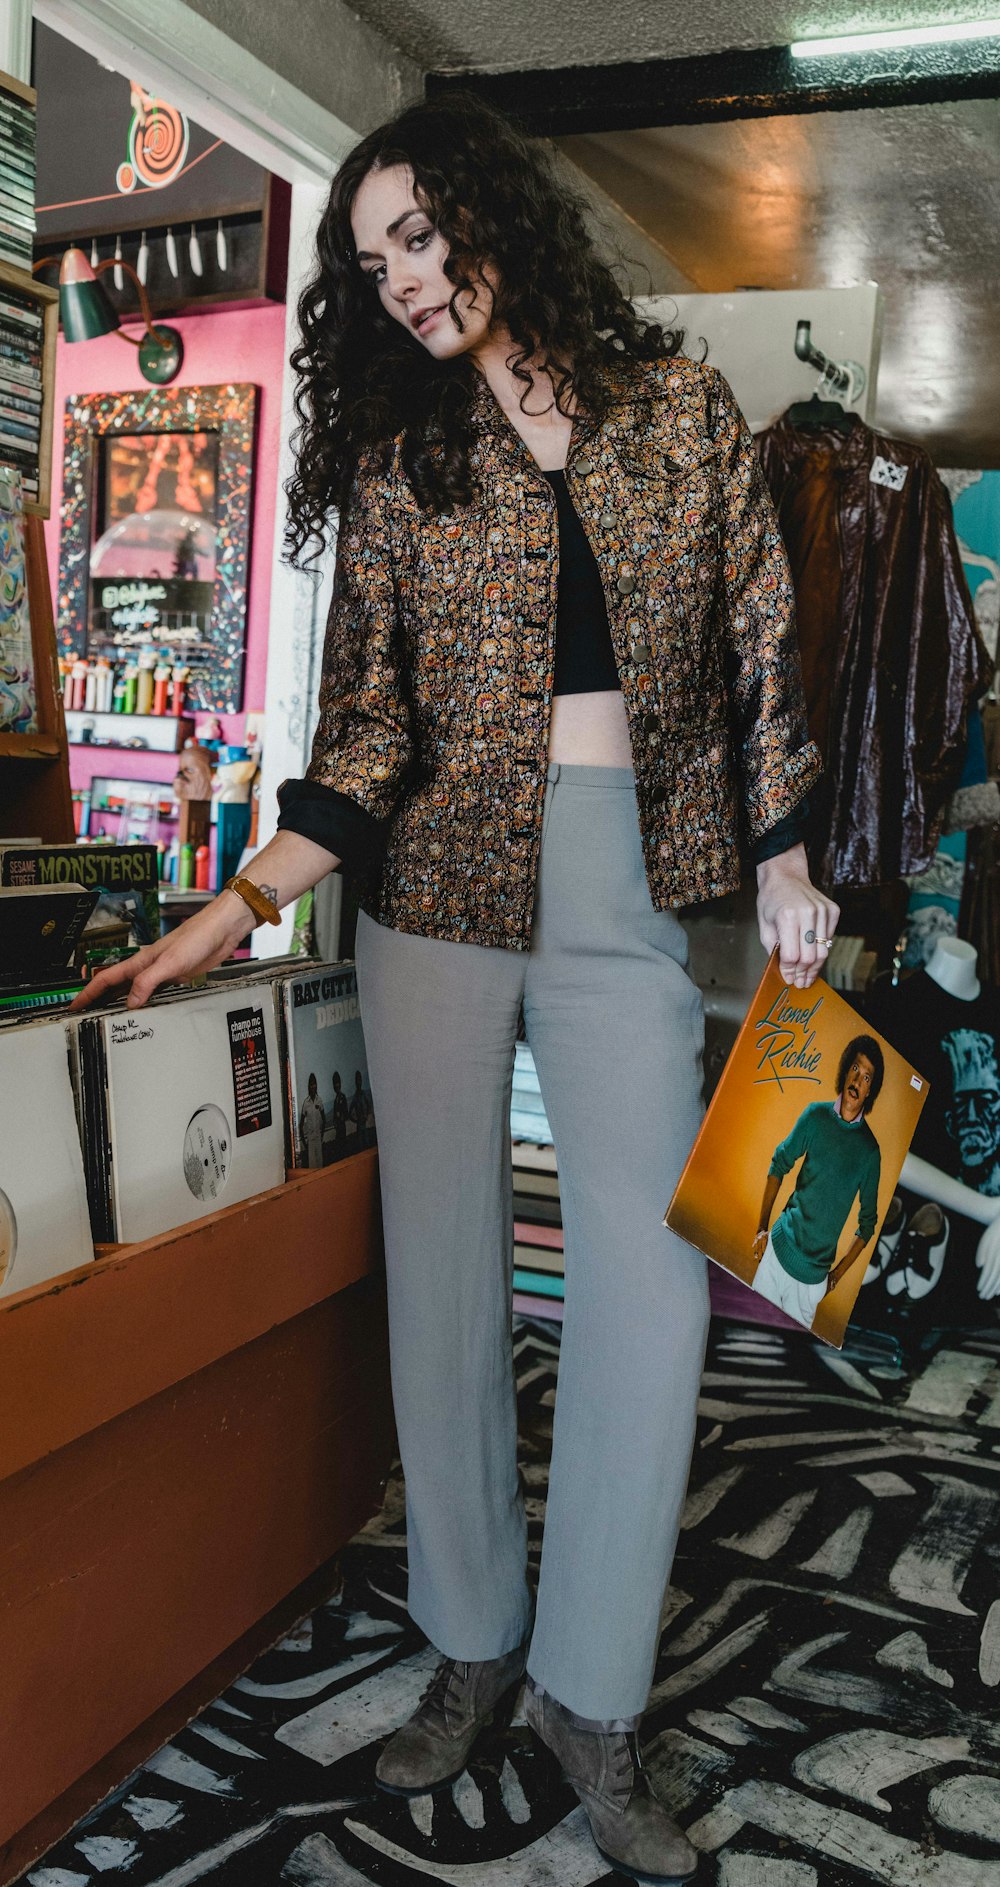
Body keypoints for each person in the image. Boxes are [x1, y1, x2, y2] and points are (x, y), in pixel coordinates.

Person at [71, 93, 838, 1885]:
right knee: (444, 1272)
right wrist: (232, 906)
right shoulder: (395, 457)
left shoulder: (677, 410)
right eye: (371, 261)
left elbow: (755, 634)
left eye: (421, 236)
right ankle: (473, 1644)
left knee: (652, 1291)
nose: (405, 281)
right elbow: (367, 732)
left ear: (493, 215)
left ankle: (592, 1689)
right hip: (425, 892)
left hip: (624, 888)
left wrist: (790, 851)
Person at [752, 1035, 884, 1329]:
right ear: (844, 1070)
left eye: (866, 1078)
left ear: (869, 1091)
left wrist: (835, 1277)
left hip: (812, 1284)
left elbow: (868, 1224)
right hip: (776, 1256)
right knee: (757, 1343)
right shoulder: (815, 1116)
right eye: (854, 1069)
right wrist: (761, 1228)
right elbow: (779, 1163)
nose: (856, 1081)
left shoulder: (870, 1152)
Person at [299, 1071, 326, 1169]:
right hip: (310, 1140)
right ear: (309, 1086)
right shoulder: (306, 1103)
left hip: (319, 1138)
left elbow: (324, 1119)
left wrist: (322, 1135)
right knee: (312, 1167)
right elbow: (301, 1124)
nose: (313, 1086)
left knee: (320, 1165)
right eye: (311, 1084)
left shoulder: (320, 1100)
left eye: (314, 1084)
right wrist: (304, 1142)